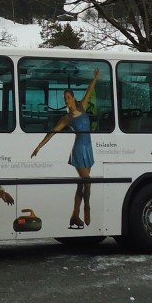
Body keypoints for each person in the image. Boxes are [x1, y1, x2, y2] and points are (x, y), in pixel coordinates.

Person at [30, 70, 101, 230]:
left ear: (74, 98)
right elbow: (52, 132)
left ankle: (75, 216)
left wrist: (95, 78)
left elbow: (89, 90)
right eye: (65, 99)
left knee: (81, 185)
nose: (67, 101)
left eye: (68, 98)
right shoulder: (67, 118)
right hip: (78, 150)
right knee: (87, 182)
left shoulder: (82, 107)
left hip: (88, 148)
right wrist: (39, 146)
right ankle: (87, 207)